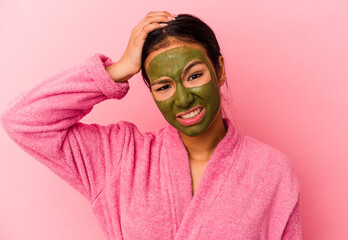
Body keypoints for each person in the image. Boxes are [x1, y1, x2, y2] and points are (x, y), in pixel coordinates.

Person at [1, 11, 302, 239]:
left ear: (219, 70)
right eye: (163, 86)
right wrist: (117, 71)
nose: (183, 99)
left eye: (194, 76)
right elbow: (23, 119)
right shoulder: (120, 157)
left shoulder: (271, 170)